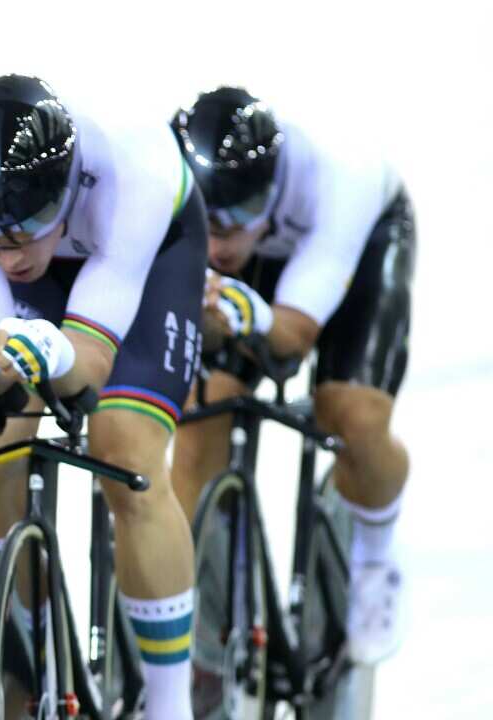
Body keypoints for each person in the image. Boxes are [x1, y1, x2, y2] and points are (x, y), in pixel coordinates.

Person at [0, 74, 208, 719]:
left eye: (25, 228)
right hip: (55, 262)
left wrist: (54, 351)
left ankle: (170, 706)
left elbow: (87, 369)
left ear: (67, 186)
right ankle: (30, 617)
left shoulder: (132, 171)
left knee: (128, 457)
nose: (9, 255)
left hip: (142, 263)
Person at [170, 86, 415, 665]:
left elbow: (293, 338)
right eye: (210, 223)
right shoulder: (175, 181)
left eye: (235, 222)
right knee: (202, 414)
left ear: (272, 186)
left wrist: (249, 313)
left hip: (356, 244)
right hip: (263, 252)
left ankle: (375, 558)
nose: (220, 241)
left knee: (348, 416)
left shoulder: (338, 178)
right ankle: (208, 587)